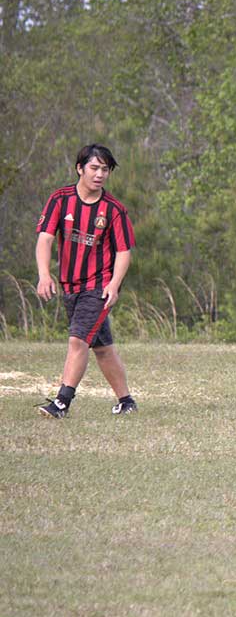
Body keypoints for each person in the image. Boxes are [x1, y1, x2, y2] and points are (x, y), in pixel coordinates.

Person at [35, 144, 138, 418]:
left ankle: (61, 402)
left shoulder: (114, 210)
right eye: (94, 167)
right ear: (80, 168)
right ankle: (127, 401)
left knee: (77, 341)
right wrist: (44, 274)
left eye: (105, 169)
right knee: (102, 348)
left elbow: (124, 252)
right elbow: (44, 239)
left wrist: (114, 285)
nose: (100, 174)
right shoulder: (60, 200)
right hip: (70, 287)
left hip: (98, 287)